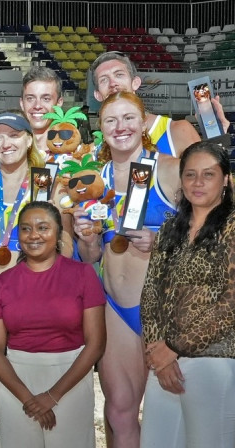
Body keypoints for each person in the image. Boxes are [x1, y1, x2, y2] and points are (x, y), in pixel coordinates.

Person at [73, 91, 180, 448]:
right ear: (100, 128)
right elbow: (89, 257)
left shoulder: (171, 168)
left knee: (174, 411)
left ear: (143, 122)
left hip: (166, 309)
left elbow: (211, 233)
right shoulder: (93, 179)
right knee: (120, 412)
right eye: (111, 120)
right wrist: (85, 236)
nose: (121, 127)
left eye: (129, 118)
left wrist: (163, 241)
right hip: (116, 307)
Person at [0, 201, 105, 448]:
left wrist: (53, 395)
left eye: (43, 227)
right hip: (16, 381)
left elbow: (96, 343)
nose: (34, 235)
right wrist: (28, 399)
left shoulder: (83, 275)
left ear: (59, 233)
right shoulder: (3, 282)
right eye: (26, 229)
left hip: (70, 378)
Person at [140, 141, 235, 447]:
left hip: (214, 358)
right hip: (164, 361)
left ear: (226, 180)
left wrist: (176, 347)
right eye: (191, 174)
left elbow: (230, 304)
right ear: (180, 180)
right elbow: (152, 291)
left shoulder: (232, 228)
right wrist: (159, 352)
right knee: (157, 441)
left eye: (208, 174)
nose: (198, 182)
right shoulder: (170, 228)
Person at [91, 51, 199, 158]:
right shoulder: (97, 153)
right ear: (98, 95)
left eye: (119, 75)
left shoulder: (177, 131)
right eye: (104, 80)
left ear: (135, 83)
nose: (113, 83)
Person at [19, 67, 64, 157]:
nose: (37, 106)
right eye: (30, 98)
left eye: (46, 99)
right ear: (22, 103)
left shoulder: (73, 154)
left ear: (59, 102)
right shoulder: (9, 153)